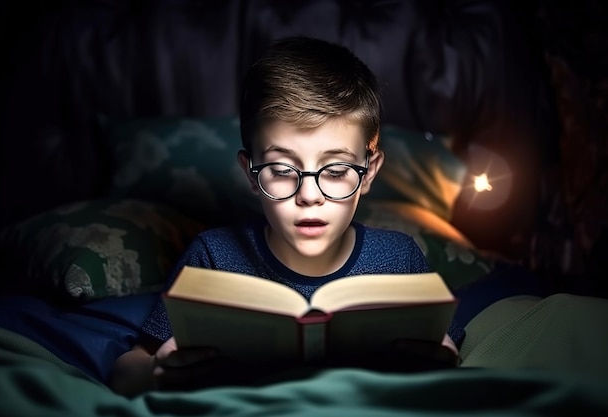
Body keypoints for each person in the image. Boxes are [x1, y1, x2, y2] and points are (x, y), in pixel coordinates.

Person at [109, 36, 459, 396]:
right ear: (250, 173)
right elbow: (127, 370)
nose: (309, 196)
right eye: (281, 168)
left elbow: (452, 354)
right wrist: (155, 370)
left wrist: (442, 361)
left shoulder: (400, 259)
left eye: (336, 170)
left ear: (368, 173)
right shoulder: (211, 257)